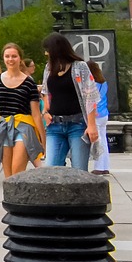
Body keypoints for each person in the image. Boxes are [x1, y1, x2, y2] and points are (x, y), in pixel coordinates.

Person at [0, 43, 45, 181]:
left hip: (24, 126)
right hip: (4, 126)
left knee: (17, 170)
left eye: (14, 56)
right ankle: (12, 200)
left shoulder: (29, 83)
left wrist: (43, 140)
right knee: (8, 174)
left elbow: (36, 114)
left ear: (20, 58)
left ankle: (17, 198)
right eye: (7, 56)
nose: (10, 59)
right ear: (3, 58)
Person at [40, 33, 99, 170]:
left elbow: (90, 95)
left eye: (48, 50)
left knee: (79, 170)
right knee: (51, 169)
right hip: (54, 125)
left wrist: (91, 125)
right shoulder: (49, 68)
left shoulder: (80, 67)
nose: (46, 53)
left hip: (77, 124)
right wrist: (45, 111)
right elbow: (45, 90)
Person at [87, 61, 112, 174]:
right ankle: (105, 166)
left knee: (97, 141)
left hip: (96, 114)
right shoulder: (103, 82)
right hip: (104, 113)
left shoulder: (91, 83)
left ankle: (99, 167)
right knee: (103, 140)